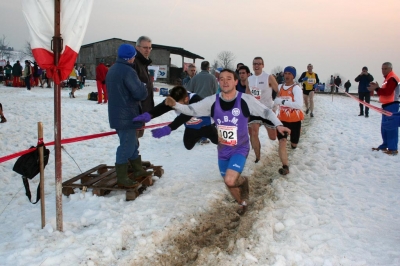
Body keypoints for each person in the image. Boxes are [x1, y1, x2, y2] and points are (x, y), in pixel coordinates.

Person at [164, 69, 291, 215]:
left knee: (230, 180)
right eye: (222, 78)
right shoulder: (212, 100)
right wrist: (175, 105)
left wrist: (279, 124)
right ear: (219, 82)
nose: (225, 81)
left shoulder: (245, 100)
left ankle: (241, 183)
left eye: (229, 78)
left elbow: (266, 112)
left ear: (236, 82)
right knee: (228, 182)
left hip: (240, 148)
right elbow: (192, 109)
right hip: (223, 149)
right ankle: (242, 202)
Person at [106, 44, 152, 188]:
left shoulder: (113, 69)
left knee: (131, 144)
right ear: (131, 57)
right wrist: (144, 87)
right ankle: (122, 177)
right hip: (127, 116)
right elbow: (140, 93)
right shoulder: (128, 71)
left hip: (118, 114)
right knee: (126, 146)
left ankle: (138, 170)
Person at [133, 86, 218, 150]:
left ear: (186, 99)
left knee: (219, 142)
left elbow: (184, 117)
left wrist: (169, 128)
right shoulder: (174, 99)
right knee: (188, 146)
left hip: (207, 126)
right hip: (192, 127)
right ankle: (198, 136)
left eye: (178, 105)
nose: (176, 107)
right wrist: (149, 115)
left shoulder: (196, 99)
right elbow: (161, 108)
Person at [273, 66, 304, 175]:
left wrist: (283, 102)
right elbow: (276, 101)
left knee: (294, 144)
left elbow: (299, 105)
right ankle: (285, 167)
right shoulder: (280, 87)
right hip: (282, 120)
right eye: (285, 73)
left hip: (295, 120)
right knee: (282, 142)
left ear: (293, 76)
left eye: (289, 74)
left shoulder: (296, 88)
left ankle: (293, 144)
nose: (287, 76)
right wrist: (273, 108)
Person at [247, 56, 279, 163]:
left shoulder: (268, 77)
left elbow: (278, 92)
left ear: (262, 65)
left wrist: (275, 107)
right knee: (254, 132)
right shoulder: (249, 79)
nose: (256, 66)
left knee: (273, 137)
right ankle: (258, 157)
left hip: (267, 110)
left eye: (259, 64)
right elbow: (247, 94)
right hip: (254, 111)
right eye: (255, 64)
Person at [368, 62, 400, 155]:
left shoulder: (392, 78)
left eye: (385, 68)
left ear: (390, 69)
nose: (383, 70)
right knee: (385, 127)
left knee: (391, 127)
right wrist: (377, 88)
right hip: (386, 105)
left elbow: (388, 92)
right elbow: (383, 92)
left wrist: (377, 88)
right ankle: (385, 145)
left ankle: (393, 149)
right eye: (382, 68)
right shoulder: (387, 79)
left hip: (392, 105)